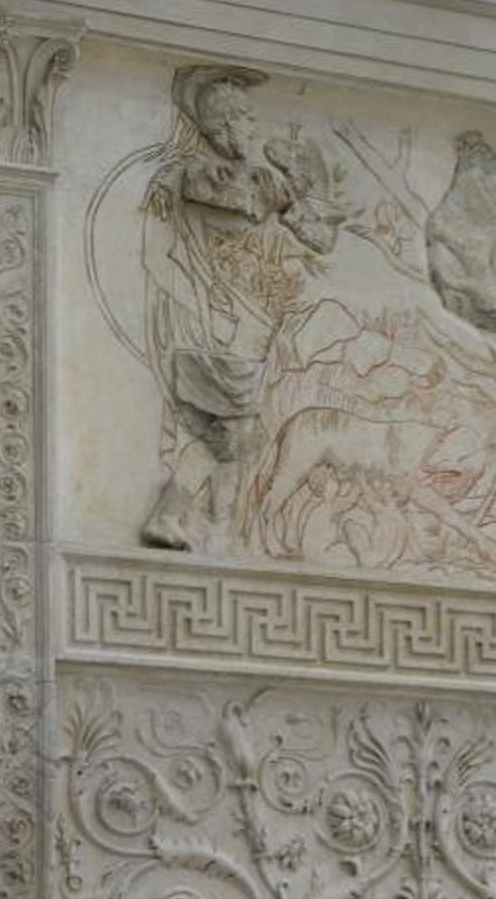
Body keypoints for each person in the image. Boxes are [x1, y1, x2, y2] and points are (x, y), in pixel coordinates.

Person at [136, 66, 350, 550]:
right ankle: (190, 521)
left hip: (243, 330)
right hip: (217, 331)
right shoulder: (201, 176)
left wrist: (303, 190)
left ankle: (212, 530)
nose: (254, 128)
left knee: (234, 438)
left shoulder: (261, 182)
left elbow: (319, 236)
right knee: (235, 435)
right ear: (223, 125)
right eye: (246, 119)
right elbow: (217, 209)